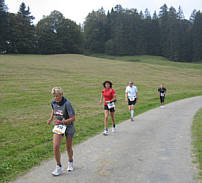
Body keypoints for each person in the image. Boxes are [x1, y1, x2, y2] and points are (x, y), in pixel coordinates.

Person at [47, 87, 76, 176]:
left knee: (68, 147)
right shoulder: (53, 102)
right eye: (54, 96)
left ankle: (70, 161)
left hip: (69, 126)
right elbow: (53, 110)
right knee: (55, 146)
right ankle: (58, 167)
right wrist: (51, 118)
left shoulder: (67, 104)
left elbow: (73, 118)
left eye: (58, 96)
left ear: (62, 95)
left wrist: (63, 121)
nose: (56, 98)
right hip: (59, 126)